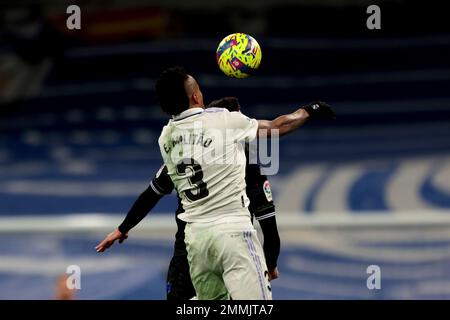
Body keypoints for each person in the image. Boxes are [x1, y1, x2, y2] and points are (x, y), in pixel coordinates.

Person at [154, 66, 335, 300]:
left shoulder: (166, 137)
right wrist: (309, 110)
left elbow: (154, 191)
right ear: (196, 97)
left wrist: (123, 229)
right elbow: (277, 127)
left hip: (196, 241)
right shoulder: (223, 121)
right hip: (232, 233)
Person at [96, 97, 282, 300]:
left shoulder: (183, 155)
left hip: (190, 252)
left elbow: (151, 194)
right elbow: (269, 227)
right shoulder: (251, 169)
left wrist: (123, 228)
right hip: (230, 250)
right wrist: (270, 264)